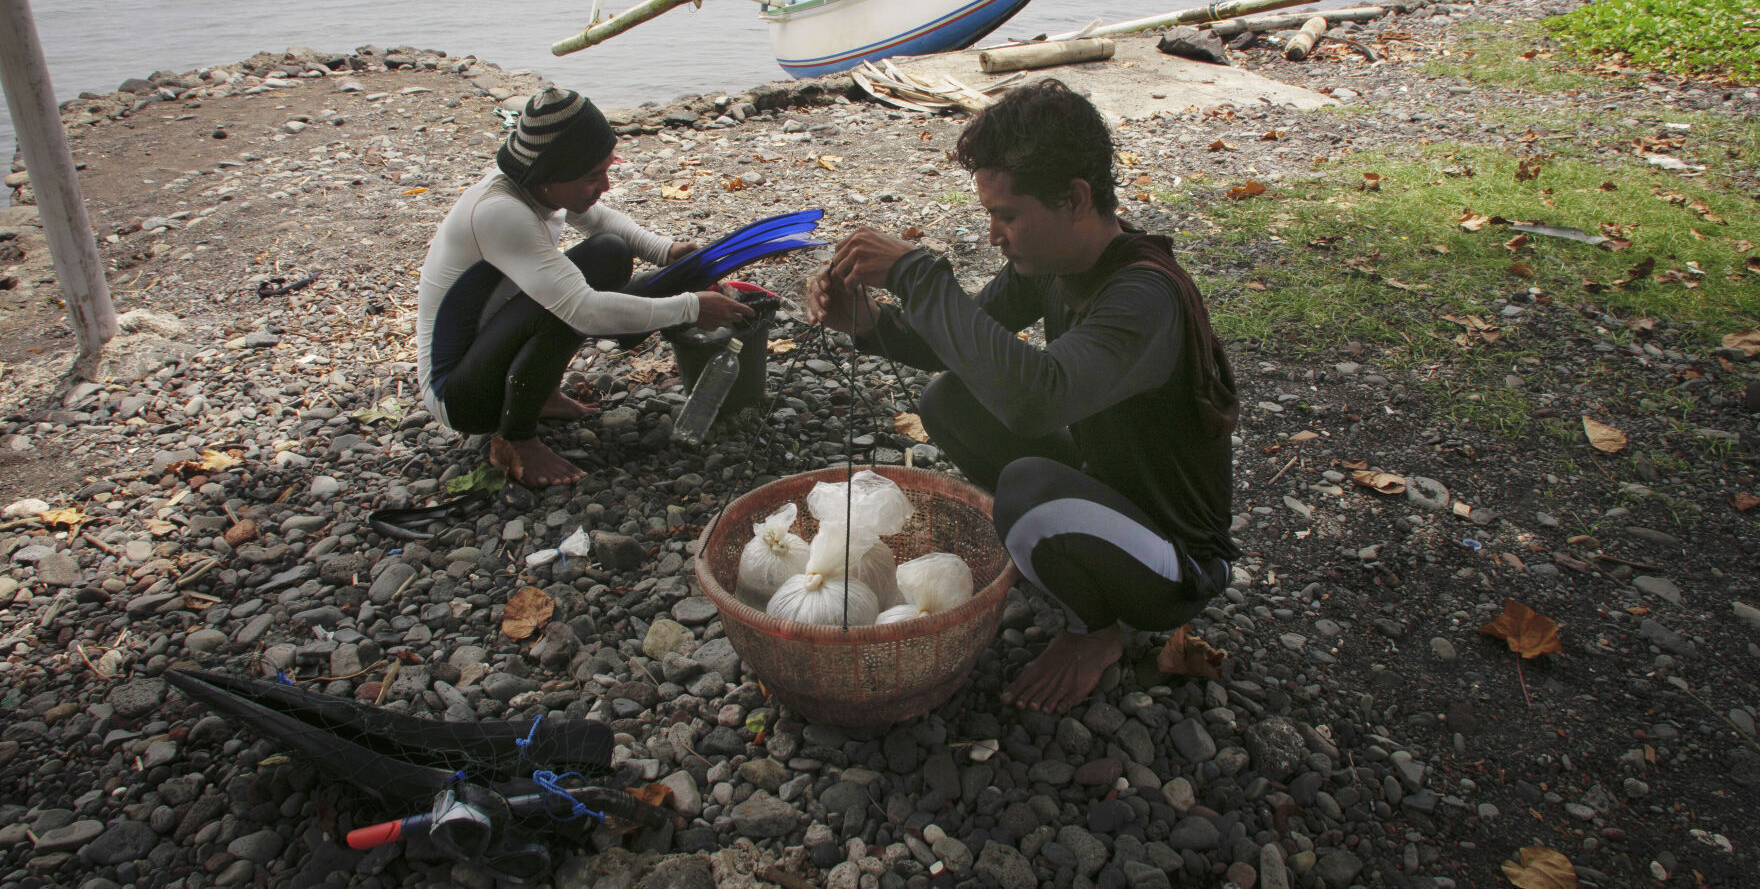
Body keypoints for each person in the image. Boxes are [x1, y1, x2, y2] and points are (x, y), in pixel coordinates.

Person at [807, 79, 1239, 713]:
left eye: (1006, 215)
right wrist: (868, 323)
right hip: (1107, 490)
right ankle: (1062, 549)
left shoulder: (1144, 298)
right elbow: (959, 345)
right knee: (949, 399)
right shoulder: (1056, 266)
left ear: (1075, 198)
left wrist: (914, 272)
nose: (994, 235)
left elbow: (1037, 400)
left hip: (1177, 564)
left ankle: (1094, 634)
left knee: (1027, 491)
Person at [416, 87, 752, 487]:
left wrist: (666, 250)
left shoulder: (537, 189)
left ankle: (539, 395)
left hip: (487, 354)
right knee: (565, 305)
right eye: (593, 177)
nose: (605, 185)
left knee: (609, 252)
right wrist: (691, 308)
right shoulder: (499, 212)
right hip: (459, 396)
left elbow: (600, 221)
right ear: (548, 176)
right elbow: (585, 311)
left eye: (606, 170)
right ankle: (516, 439)